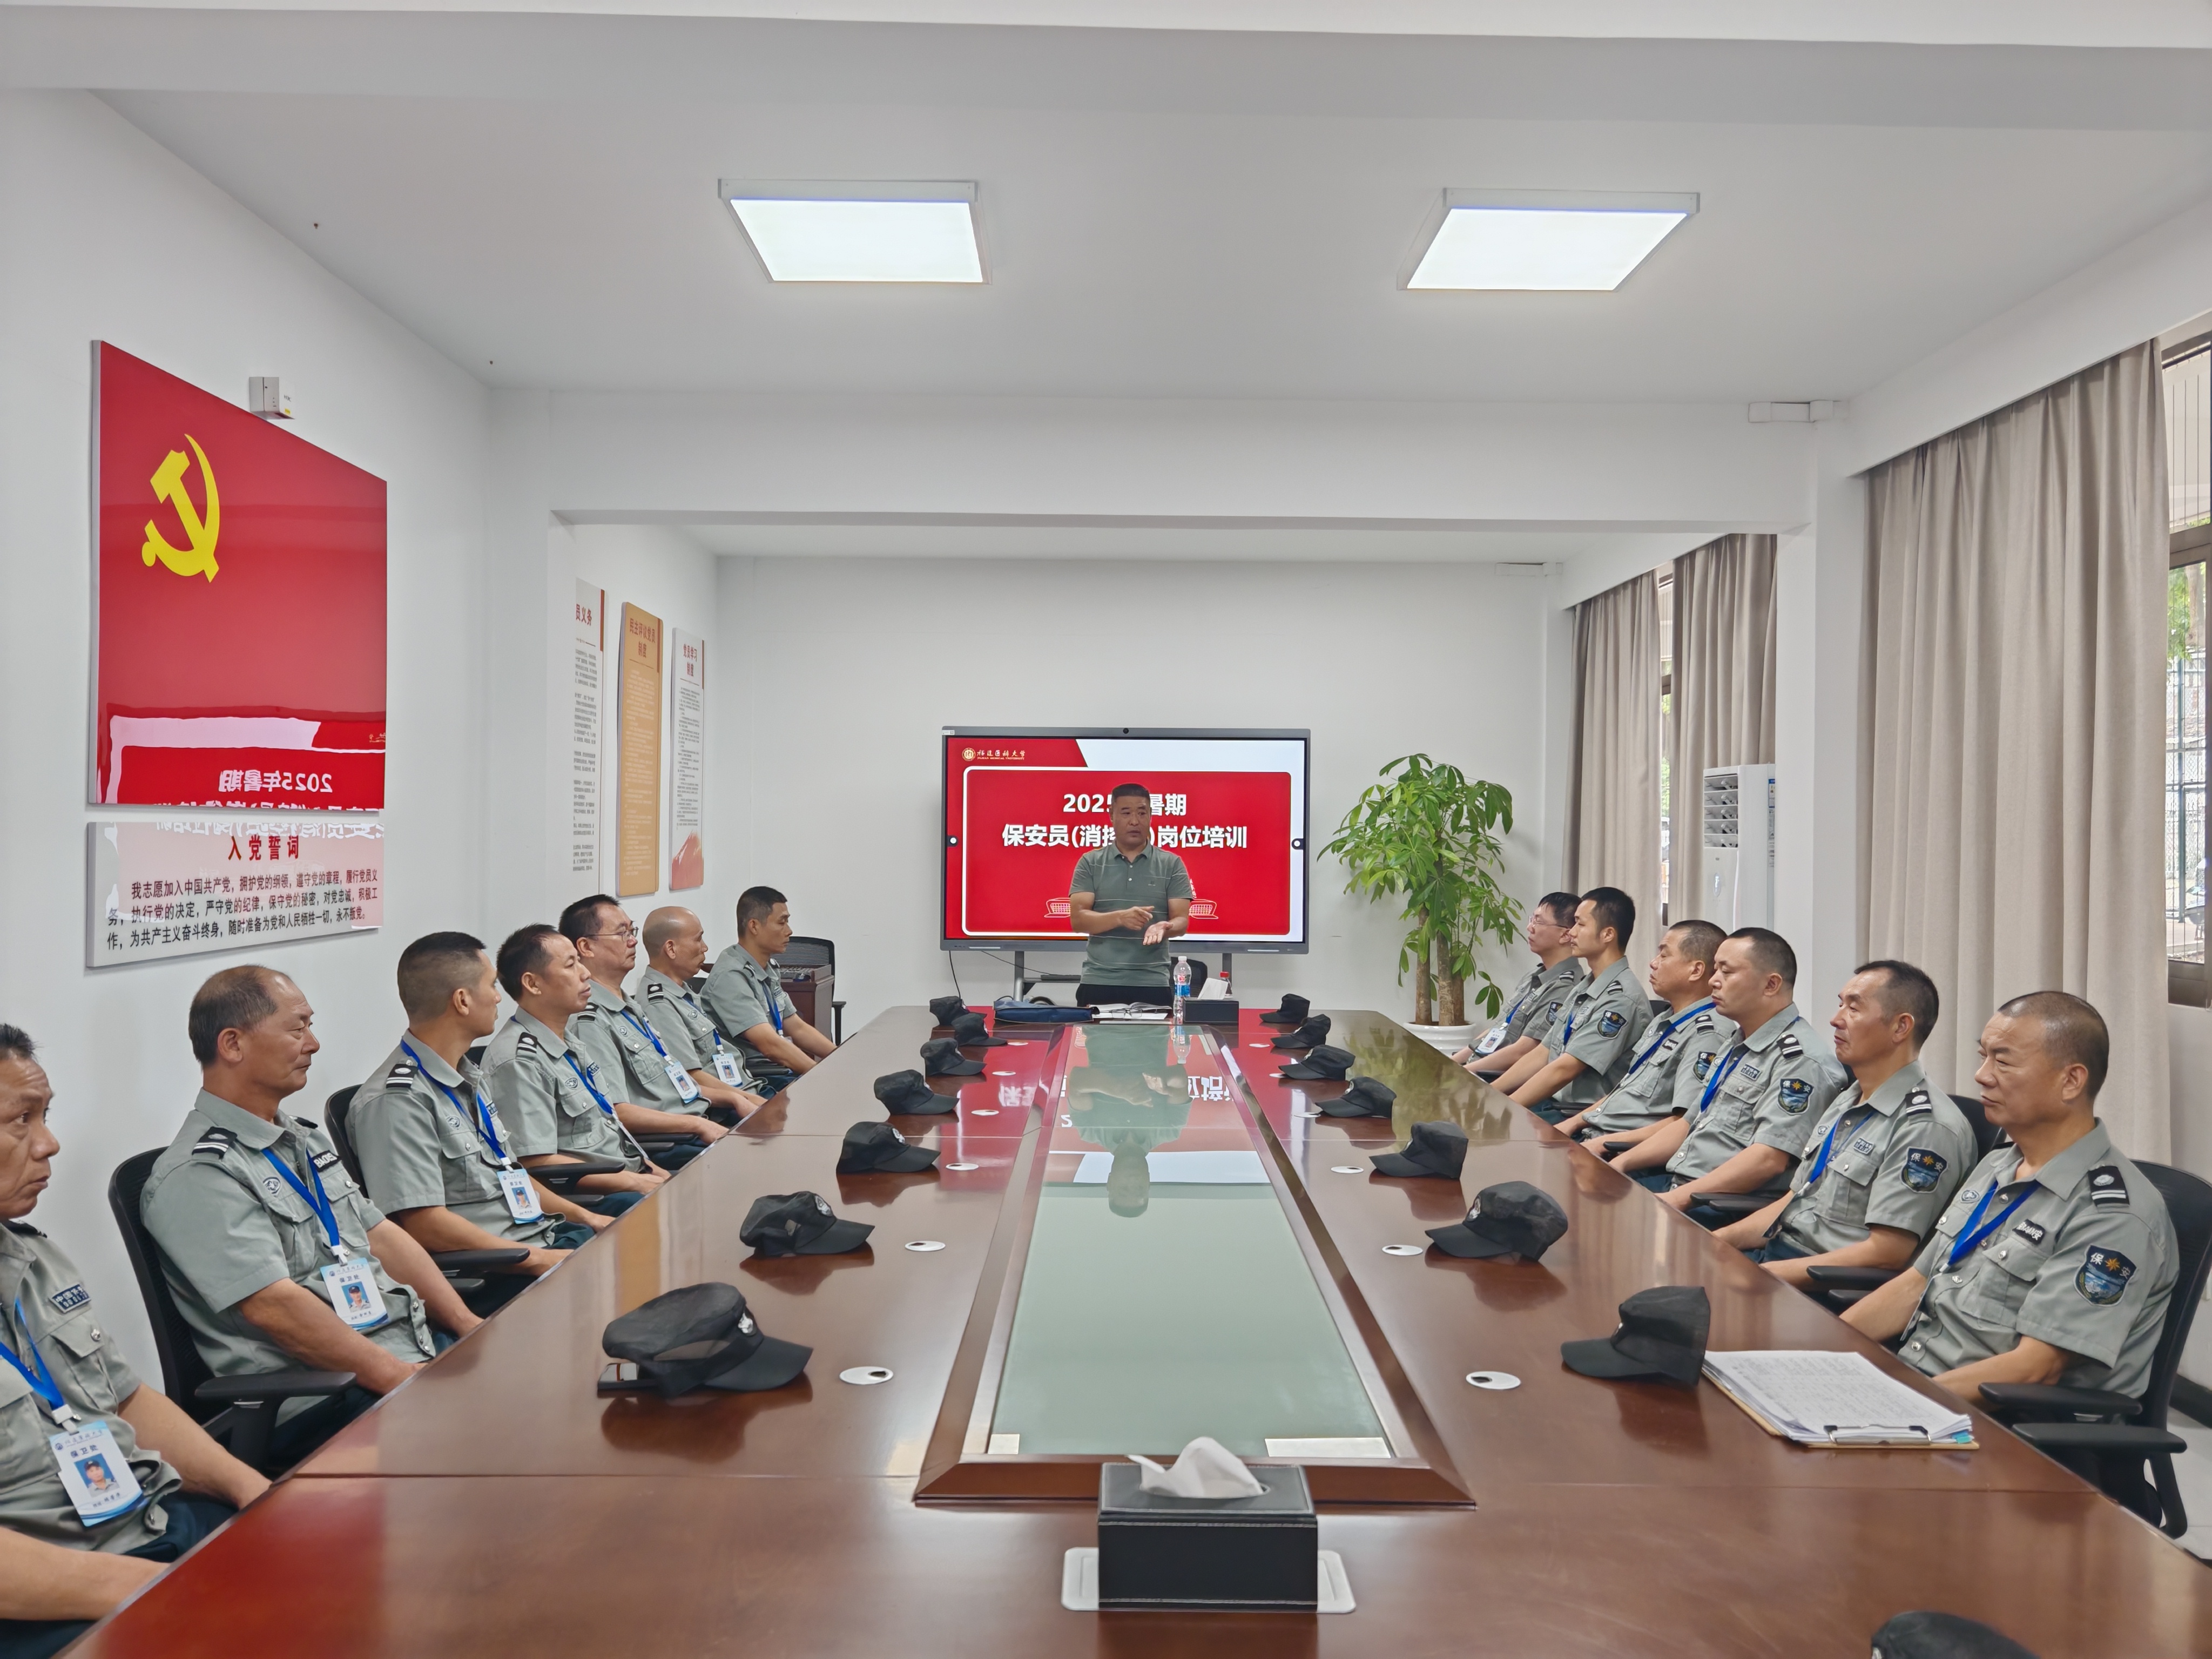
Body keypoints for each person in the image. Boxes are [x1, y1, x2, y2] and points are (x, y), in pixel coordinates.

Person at [140, 968, 480, 1469]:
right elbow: (275, 1308)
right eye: (297, 1028)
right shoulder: (200, 1173)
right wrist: (401, 1378)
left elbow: (380, 1235)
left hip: (407, 1349)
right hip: (325, 1398)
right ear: (232, 1044)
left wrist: (469, 1325)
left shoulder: (300, 1137)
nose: (313, 1043)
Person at [0, 1025, 269, 1659]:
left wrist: (254, 1491)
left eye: (45, 1116)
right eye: (20, 1120)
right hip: (55, 1597)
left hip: (150, 1527)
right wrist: (163, 1588)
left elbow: (125, 1398)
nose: (49, 1143)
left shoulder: (33, 1259)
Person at [1845, 992, 2176, 1406]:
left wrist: (1891, 1402)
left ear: (2071, 1081)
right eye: (1983, 1057)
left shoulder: (2114, 1215)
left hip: (2003, 1423)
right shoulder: (2000, 1163)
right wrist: (1821, 1351)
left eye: (2002, 1062)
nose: (1982, 1076)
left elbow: (2036, 1368)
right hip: (1921, 1383)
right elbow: (1915, 1283)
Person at [349, 933, 609, 1315]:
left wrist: (587, 1217)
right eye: (491, 986)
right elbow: (426, 1225)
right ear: (462, 1000)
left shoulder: (466, 1075)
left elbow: (511, 1173)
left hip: (541, 1236)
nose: (499, 997)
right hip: (499, 1269)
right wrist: (538, 1259)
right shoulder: (398, 1101)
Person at [1711, 961, 1976, 1290]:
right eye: (1841, 1004)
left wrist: (1763, 1275)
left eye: (1854, 1008)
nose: (1836, 1019)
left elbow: (1886, 1253)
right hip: (1778, 1255)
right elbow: (1794, 1201)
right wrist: (1716, 1242)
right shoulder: (1849, 1098)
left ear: (1901, 1027)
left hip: (1823, 1286)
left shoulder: (1926, 1127)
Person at [1609, 928, 1840, 1217]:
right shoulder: (1738, 1043)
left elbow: (1768, 1159)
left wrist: (1674, 1200)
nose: (1713, 981)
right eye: (1715, 969)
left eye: (1727, 972)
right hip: (1679, 1183)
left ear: (1771, 985)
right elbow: (1687, 1124)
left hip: (1717, 1205)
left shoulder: (1800, 1061)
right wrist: (1618, 1164)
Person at [482, 927, 670, 1215]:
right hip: (592, 1195)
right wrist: (634, 1181)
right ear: (532, 984)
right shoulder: (519, 1061)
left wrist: (648, 1169)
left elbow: (608, 1124)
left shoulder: (568, 1040)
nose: (585, 973)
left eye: (580, 962)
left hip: (628, 1171)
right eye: (571, 965)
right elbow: (536, 1162)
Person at [559, 896, 730, 1167]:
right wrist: (698, 1125)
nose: (633, 941)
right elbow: (617, 1111)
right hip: (670, 1141)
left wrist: (735, 1101)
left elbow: (676, 1080)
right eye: (622, 933)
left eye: (632, 931)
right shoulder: (590, 1021)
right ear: (586, 947)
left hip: (697, 1121)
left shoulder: (629, 1006)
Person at [1554, 919, 1729, 1142]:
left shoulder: (1707, 1035)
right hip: (1594, 1132)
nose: (1653, 963)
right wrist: (1573, 1123)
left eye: (1664, 956)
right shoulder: (1663, 1021)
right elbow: (1624, 1091)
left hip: (1618, 1147)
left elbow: (1684, 1123)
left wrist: (1601, 1145)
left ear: (1696, 970)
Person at [1488, 888, 1652, 1120]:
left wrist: (1499, 1107)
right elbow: (1544, 1052)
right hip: (1550, 1103)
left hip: (1575, 1115)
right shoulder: (1586, 986)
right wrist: (1490, 1094)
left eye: (1580, 925)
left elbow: (1565, 1069)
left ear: (1607, 934)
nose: (1572, 932)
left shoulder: (1621, 1000)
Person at [1065, 785, 1195, 1006]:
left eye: (1142, 813)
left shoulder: (1171, 864)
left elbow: (1181, 920)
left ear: (1151, 816)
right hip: (1099, 981)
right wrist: (1120, 918)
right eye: (1126, 813)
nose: (1135, 821)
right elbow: (1078, 920)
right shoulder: (1090, 862)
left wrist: (1165, 927)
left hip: (1153, 982)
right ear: (1112, 816)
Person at [634, 907, 766, 1120]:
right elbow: (692, 1077)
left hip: (746, 1091)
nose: (705, 947)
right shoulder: (659, 1004)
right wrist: (750, 1100)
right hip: (726, 1109)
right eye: (698, 939)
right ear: (671, 949)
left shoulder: (682, 991)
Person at [700, 888, 837, 1094]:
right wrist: (821, 1075)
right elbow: (770, 1045)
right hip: (756, 1078)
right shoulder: (731, 975)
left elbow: (797, 1027)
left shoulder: (766, 967)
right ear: (754, 926)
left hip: (778, 1071)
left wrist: (841, 1057)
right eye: (782, 922)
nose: (789, 931)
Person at [1453, 893, 1585, 1075]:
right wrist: (1451, 1064)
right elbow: (1498, 1028)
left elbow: (1523, 1051)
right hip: (1477, 1068)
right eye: (1532, 920)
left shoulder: (1564, 988)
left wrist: (1461, 1073)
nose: (1530, 928)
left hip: (1496, 1078)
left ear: (1565, 935)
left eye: (1538, 922)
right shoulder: (1535, 976)